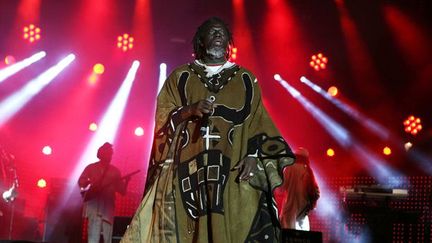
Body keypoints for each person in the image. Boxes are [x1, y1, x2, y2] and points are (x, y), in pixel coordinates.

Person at [121, 17, 295, 242]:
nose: (218, 35)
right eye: (212, 32)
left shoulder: (245, 78)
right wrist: (188, 110)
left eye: (222, 32)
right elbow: (163, 117)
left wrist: (253, 156)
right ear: (201, 41)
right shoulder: (181, 77)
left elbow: (258, 121)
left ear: (229, 41)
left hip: (231, 172)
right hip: (189, 172)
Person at [78, 142, 130, 243]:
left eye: (110, 153)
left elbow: (122, 191)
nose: (109, 156)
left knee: (107, 236)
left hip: (108, 206)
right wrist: (90, 182)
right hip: (94, 205)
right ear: (100, 154)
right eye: (107, 153)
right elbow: (81, 182)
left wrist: (126, 181)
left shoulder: (115, 171)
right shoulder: (91, 168)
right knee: (93, 234)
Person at [276, 147, 320, 230]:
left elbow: (281, 188)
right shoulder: (308, 171)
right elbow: (317, 193)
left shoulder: (290, 168)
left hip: (290, 209)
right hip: (303, 210)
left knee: (287, 236)